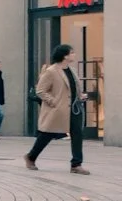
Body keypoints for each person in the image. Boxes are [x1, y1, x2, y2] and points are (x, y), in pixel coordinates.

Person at [26, 43, 90, 174]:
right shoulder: (51, 71)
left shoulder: (71, 70)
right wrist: (53, 101)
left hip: (73, 108)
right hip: (58, 109)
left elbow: (72, 87)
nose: (74, 54)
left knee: (77, 134)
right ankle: (31, 157)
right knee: (47, 134)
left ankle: (76, 164)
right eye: (72, 52)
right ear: (65, 55)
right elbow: (40, 90)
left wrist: (80, 95)